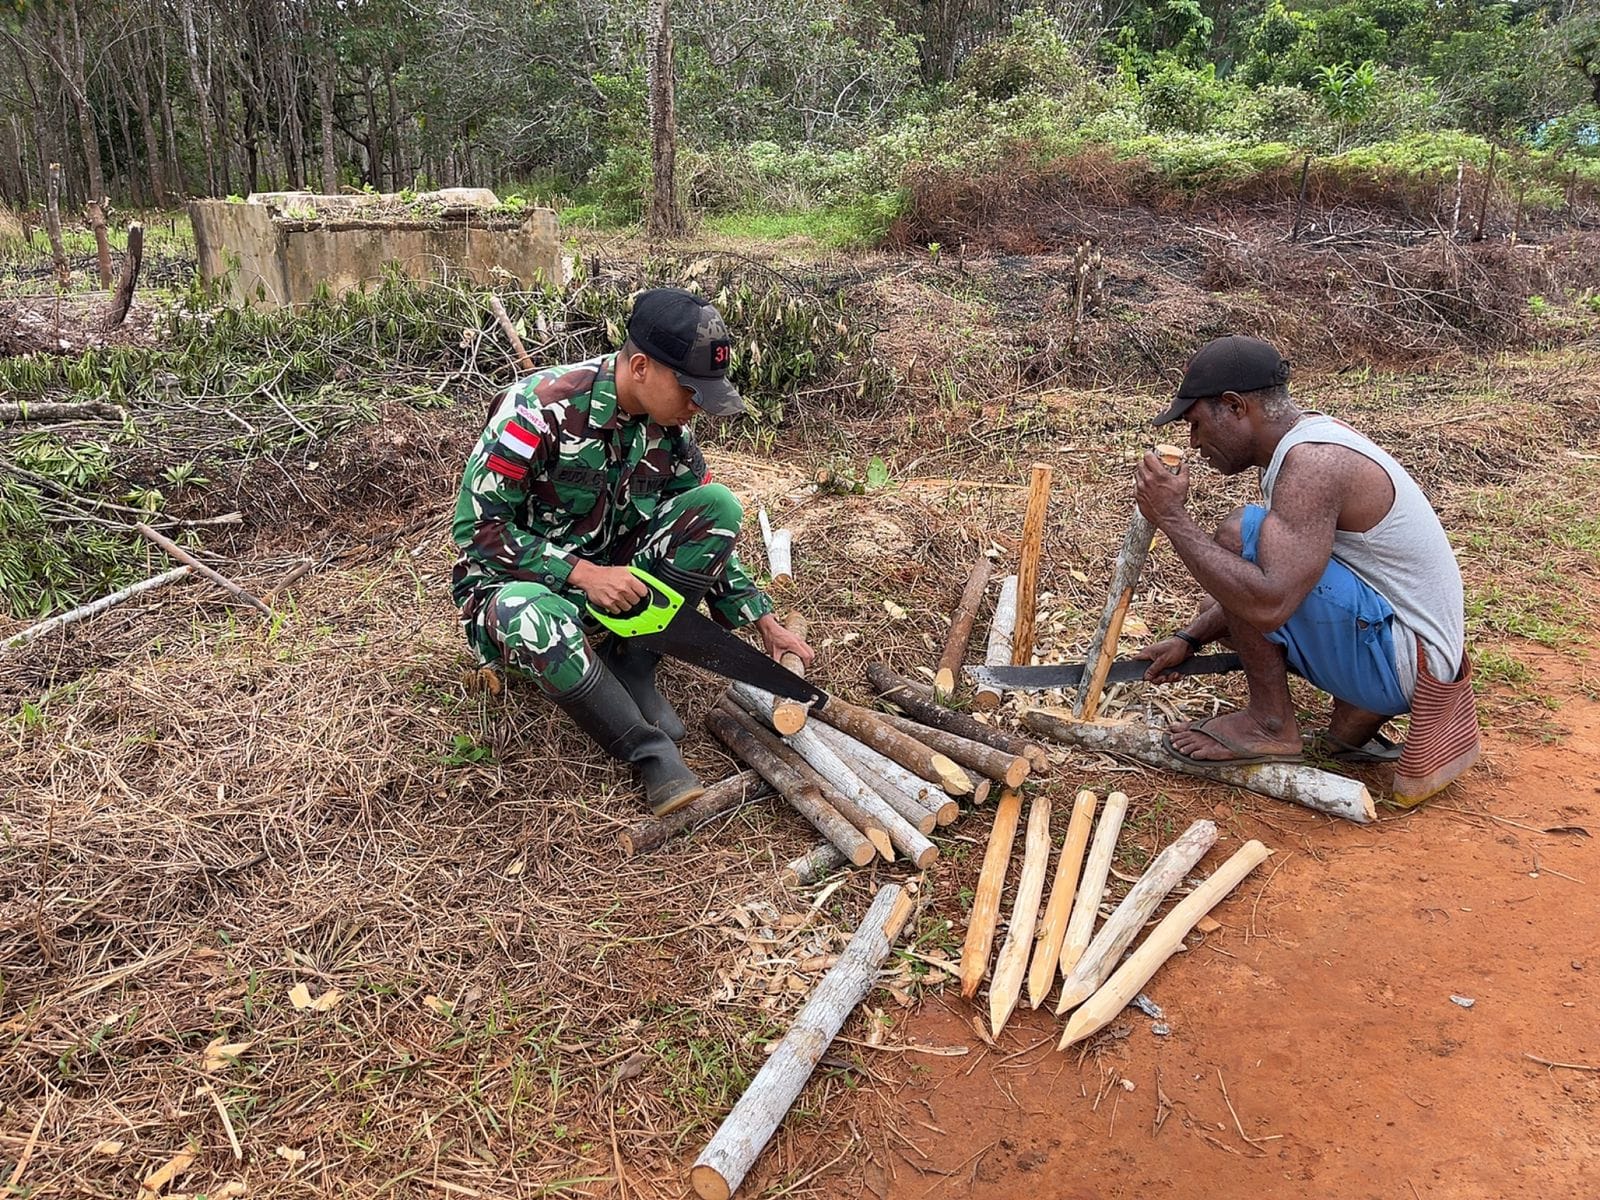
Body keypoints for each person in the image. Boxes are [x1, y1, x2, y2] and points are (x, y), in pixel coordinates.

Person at [450, 287, 814, 817]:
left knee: (717, 504)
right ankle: (649, 752)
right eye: (690, 391)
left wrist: (762, 620)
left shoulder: (669, 430)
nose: (697, 407)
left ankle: (631, 664)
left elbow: (702, 522)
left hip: (615, 583)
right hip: (517, 587)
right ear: (641, 367)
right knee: (530, 613)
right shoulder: (536, 410)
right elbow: (477, 528)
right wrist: (581, 573)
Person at [1132, 334, 1478, 804]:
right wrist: (1190, 639)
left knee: (1237, 537)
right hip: (1415, 653)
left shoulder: (1313, 462)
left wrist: (1172, 518)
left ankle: (1270, 724)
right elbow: (1294, 575)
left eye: (1196, 424)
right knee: (1228, 586)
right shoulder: (1308, 441)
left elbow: (1269, 603)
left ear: (1234, 406)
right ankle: (1355, 713)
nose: (1194, 443)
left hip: (1405, 662)